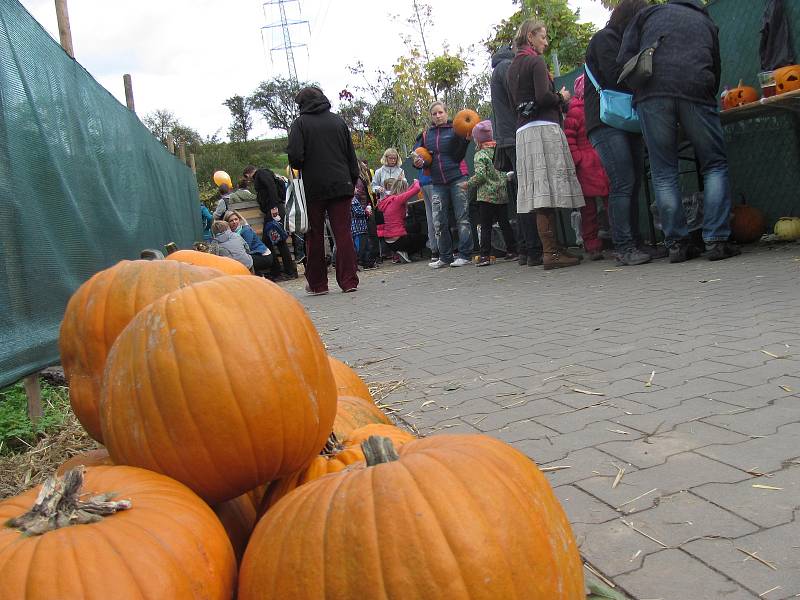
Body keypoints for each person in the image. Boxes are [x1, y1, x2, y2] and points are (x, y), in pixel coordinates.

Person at [618, 0, 740, 262]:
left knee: (663, 172)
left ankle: (677, 244)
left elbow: (625, 55)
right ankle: (716, 240)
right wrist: (707, 94)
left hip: (652, 93)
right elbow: (715, 66)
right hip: (695, 88)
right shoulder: (706, 22)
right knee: (714, 164)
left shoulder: (650, 13)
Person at [507, 19, 585, 269]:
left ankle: (552, 248)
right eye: (543, 37)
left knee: (540, 189)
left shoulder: (512, 67)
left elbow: (514, 104)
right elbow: (542, 97)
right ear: (530, 37)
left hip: (524, 133)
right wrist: (560, 97)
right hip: (543, 128)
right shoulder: (536, 61)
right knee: (547, 190)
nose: (546, 42)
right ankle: (550, 253)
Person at [584, 0, 655, 266]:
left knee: (633, 180)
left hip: (625, 119)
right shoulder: (604, 39)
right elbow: (614, 76)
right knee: (623, 181)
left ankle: (634, 242)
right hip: (604, 121)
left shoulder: (621, 40)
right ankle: (624, 246)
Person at [287, 86, 360, 295]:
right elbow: (350, 156)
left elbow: (295, 158)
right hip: (342, 184)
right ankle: (349, 281)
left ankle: (318, 284)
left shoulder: (300, 124)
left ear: (302, 104)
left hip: (314, 188)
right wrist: (351, 181)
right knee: (343, 233)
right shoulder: (338, 121)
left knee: (315, 234)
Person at [491, 43, 542, 267]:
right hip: (516, 134)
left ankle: (525, 249)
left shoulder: (497, 69)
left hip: (508, 136)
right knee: (527, 191)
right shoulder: (505, 68)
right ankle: (533, 249)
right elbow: (517, 97)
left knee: (522, 192)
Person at [412, 101, 473, 269]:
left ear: (446, 113)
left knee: (462, 218)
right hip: (437, 181)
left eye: (440, 112)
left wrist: (466, 142)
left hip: (458, 177)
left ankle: (465, 254)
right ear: (431, 116)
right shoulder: (425, 135)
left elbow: (458, 156)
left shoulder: (455, 130)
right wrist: (418, 162)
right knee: (438, 221)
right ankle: (445, 257)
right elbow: (419, 158)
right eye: (434, 114)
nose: (438, 116)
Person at [564, 74, 610, 261]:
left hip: (593, 161)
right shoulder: (578, 110)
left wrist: (578, 159)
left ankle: (597, 244)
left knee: (595, 208)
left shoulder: (577, 110)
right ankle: (594, 244)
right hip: (592, 161)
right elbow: (570, 138)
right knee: (592, 209)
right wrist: (579, 159)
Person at [463, 120, 517, 266]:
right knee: (504, 223)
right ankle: (512, 251)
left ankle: (485, 255)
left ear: (477, 139)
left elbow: (481, 175)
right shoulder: (499, 150)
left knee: (485, 226)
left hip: (486, 196)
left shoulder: (480, 155)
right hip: (501, 193)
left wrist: (468, 184)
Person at [377, 178, 426, 263]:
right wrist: (417, 181)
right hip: (398, 240)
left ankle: (404, 253)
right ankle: (406, 251)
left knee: (415, 227)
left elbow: (409, 191)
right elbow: (417, 189)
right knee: (423, 238)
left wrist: (412, 185)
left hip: (389, 240)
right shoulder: (398, 199)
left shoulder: (389, 199)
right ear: (403, 189)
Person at [223, 210, 273, 276]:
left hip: (264, 256)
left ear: (239, 220)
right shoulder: (231, 234)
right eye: (231, 221)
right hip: (253, 255)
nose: (234, 222)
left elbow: (246, 249)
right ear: (227, 223)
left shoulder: (245, 230)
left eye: (236, 219)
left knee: (241, 260)